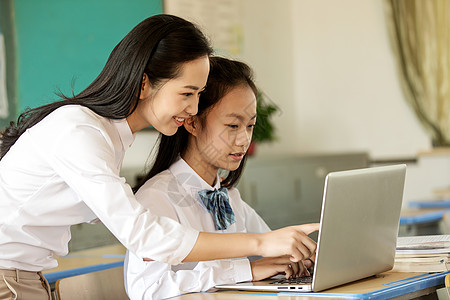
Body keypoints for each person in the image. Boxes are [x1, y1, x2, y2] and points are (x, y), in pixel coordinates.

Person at [0, 14, 318, 300]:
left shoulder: (112, 139)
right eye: (187, 93)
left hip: (24, 277)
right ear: (144, 83)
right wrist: (260, 245)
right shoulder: (79, 131)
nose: (193, 109)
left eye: (199, 94)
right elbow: (146, 239)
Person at [125, 56, 316, 299]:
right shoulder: (157, 197)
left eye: (250, 126)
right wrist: (243, 270)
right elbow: (146, 289)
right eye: (233, 126)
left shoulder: (229, 197)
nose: (244, 140)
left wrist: (298, 258)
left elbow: (270, 248)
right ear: (192, 123)